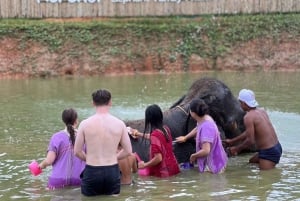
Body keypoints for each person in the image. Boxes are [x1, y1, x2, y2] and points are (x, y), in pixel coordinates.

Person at [74, 89, 132, 196]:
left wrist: (89, 158)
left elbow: (77, 151)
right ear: (110, 102)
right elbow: (128, 151)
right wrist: (115, 157)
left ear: (93, 103)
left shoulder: (84, 124)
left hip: (92, 170)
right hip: (112, 171)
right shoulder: (119, 124)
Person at [225, 89, 282, 170]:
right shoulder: (262, 111)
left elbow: (250, 141)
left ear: (244, 103)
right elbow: (248, 133)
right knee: (252, 162)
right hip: (277, 146)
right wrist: (232, 141)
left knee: (265, 180)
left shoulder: (248, 117)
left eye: (240, 103)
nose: (240, 105)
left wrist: (236, 149)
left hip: (269, 152)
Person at [176, 98, 228, 174]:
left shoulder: (206, 127)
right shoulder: (204, 118)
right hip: (216, 158)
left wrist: (194, 156)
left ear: (193, 113)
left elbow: (206, 151)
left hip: (213, 164)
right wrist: (185, 137)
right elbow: (197, 128)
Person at [39, 108, 85, 190]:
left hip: (57, 181)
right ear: (76, 120)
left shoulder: (56, 137)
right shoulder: (83, 136)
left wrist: (41, 165)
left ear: (63, 120)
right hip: (78, 180)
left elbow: (49, 161)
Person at [136, 104, 180, 178]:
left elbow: (158, 158)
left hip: (164, 173)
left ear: (149, 119)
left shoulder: (155, 135)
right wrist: (138, 134)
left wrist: (144, 165)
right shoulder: (166, 129)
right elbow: (158, 139)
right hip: (174, 168)